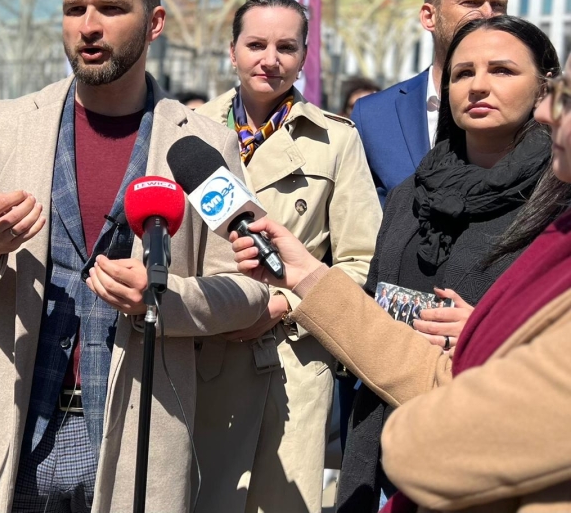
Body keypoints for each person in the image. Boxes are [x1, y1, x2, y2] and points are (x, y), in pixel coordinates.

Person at [0, 0, 270, 513]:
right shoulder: (9, 125)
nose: (88, 26)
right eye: (74, 8)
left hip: (137, 438)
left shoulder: (202, 145)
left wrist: (165, 296)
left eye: (111, 8)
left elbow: (249, 288)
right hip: (14, 433)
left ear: (154, 22)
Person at [229, 64, 571, 511]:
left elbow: (430, 443)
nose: (547, 110)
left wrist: (488, 340)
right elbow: (432, 375)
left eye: (566, 96)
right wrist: (305, 274)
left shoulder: (549, 220)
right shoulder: (411, 192)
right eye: (462, 72)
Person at [339, 16, 568, 510]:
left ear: (543, 88)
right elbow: (375, 291)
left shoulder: (558, 202)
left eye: (502, 70)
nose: (478, 85)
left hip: (478, 449)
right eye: (463, 73)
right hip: (379, 429)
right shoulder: (410, 191)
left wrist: (489, 330)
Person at [193, 0, 380, 513]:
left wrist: (284, 305)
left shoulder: (336, 140)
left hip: (292, 360)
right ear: (232, 51)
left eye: (286, 47)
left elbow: (362, 260)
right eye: (255, 44)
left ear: (303, 57)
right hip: (204, 356)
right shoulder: (189, 130)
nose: (269, 59)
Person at [352, 0, 509, 205]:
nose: (488, 14)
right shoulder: (373, 115)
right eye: (472, 2)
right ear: (429, 17)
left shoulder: (527, 112)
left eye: (498, 5)